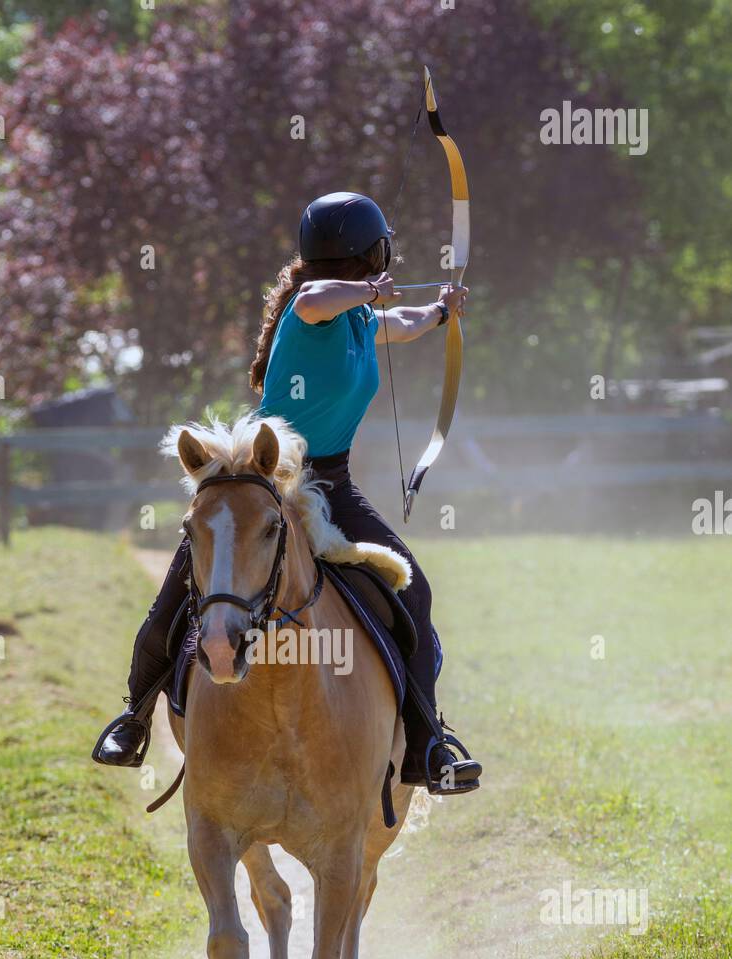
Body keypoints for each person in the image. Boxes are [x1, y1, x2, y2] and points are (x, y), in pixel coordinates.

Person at [95, 191, 481, 794]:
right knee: (174, 605)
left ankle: (426, 743)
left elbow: (398, 325)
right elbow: (314, 296)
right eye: (381, 254)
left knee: (415, 593)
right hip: (264, 479)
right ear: (370, 253)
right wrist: (369, 292)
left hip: (334, 481)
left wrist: (439, 311)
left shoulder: (356, 316)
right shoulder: (314, 310)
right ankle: (134, 717)